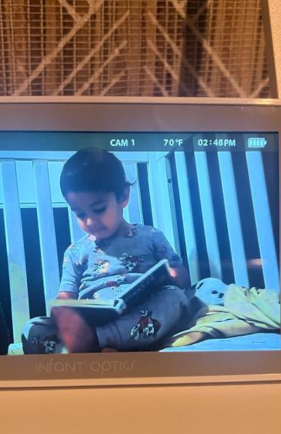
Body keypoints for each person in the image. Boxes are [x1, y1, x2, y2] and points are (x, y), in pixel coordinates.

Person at [22, 148, 189, 354]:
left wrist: (173, 275)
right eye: (80, 214)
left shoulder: (150, 235)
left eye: (99, 209)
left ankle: (98, 342)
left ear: (123, 197)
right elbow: (66, 293)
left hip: (140, 312)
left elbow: (180, 276)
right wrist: (63, 310)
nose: (90, 221)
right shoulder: (75, 251)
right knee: (33, 329)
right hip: (93, 321)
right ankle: (104, 342)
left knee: (175, 297)